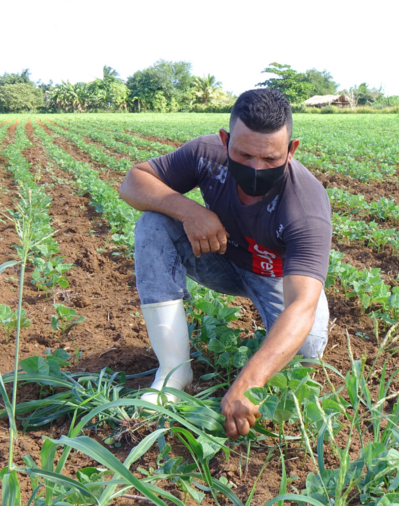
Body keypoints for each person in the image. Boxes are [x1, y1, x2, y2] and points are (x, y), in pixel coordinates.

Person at [118, 89, 332, 438]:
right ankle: (173, 371)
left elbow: (301, 305)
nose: (255, 168)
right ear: (225, 140)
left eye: (270, 159)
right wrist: (189, 211)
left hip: (275, 277)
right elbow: (132, 183)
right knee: (153, 223)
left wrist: (250, 380)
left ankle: (264, 357)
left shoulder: (305, 207)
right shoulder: (206, 155)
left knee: (305, 351)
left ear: (291, 151)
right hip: (220, 257)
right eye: (244, 154)